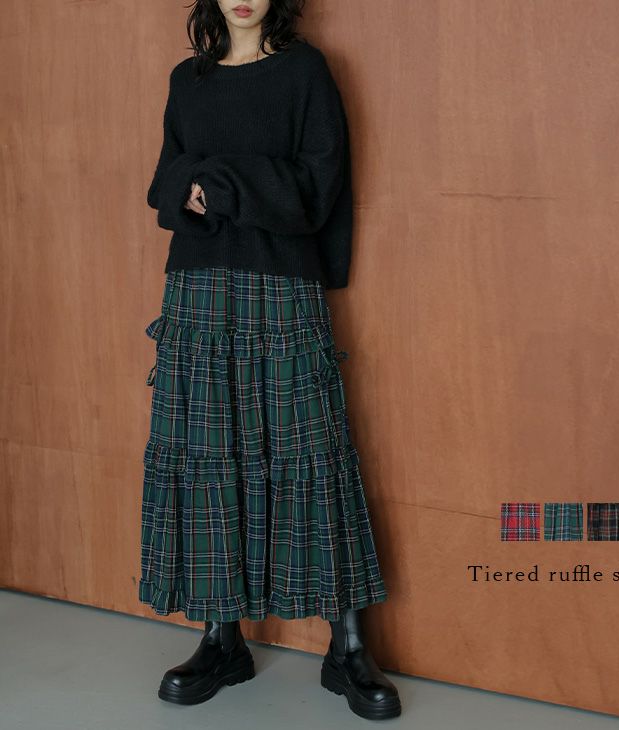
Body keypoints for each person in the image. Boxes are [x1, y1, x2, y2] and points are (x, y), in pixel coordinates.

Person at [139, 0, 401, 720]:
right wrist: (203, 183)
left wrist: (217, 183)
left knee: (310, 450)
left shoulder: (305, 72)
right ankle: (221, 638)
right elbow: (164, 182)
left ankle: (347, 646)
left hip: (282, 281)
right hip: (196, 284)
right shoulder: (187, 80)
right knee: (206, 453)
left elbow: (317, 187)